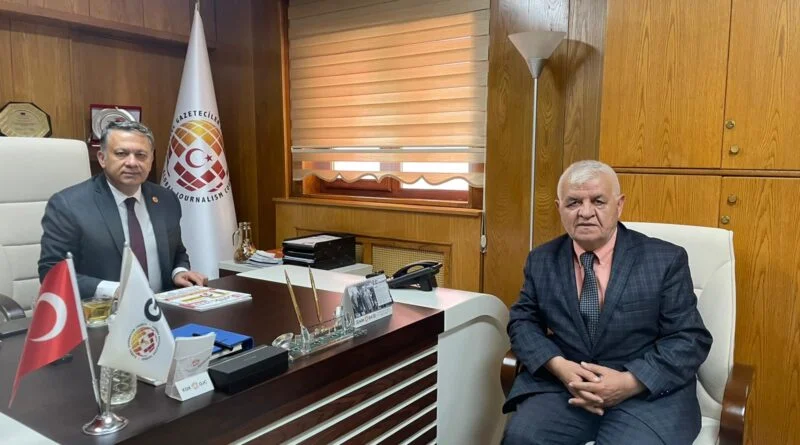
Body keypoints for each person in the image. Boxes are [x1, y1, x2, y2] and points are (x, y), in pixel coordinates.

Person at [502, 160, 712, 445]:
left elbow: (690, 338)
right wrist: (559, 366)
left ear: (619, 205)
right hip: (568, 388)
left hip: (644, 395)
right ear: (559, 208)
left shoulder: (664, 260)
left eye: (598, 201)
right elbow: (522, 322)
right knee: (521, 437)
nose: (586, 212)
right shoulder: (542, 259)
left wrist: (629, 382)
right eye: (574, 202)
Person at [38, 121, 207, 299]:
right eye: (121, 153)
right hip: (103, 310)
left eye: (141, 155)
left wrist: (179, 272)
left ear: (151, 159)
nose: (132, 162)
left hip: (162, 308)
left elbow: (177, 251)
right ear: (102, 158)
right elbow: (51, 272)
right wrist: (115, 291)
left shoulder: (166, 199)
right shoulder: (68, 205)